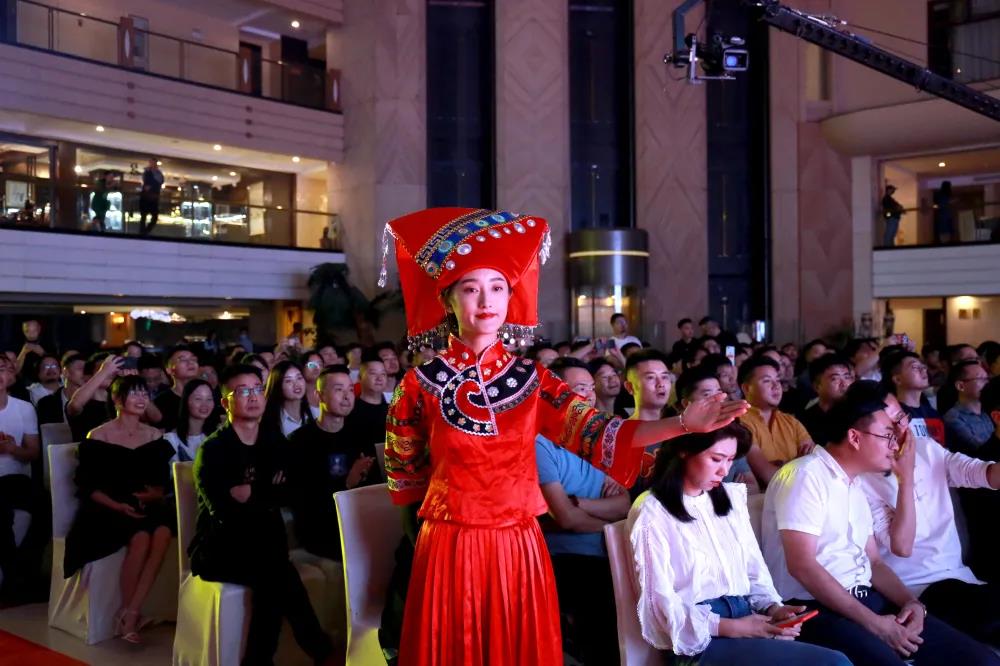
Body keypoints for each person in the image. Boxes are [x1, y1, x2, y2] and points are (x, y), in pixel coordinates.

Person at [381, 207, 747, 665]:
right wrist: (424, 551)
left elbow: (601, 433)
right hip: (448, 544)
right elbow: (405, 480)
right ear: (448, 299)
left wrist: (684, 425)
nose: (486, 300)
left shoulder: (533, 381)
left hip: (517, 542)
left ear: (510, 297)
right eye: (470, 289)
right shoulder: (418, 385)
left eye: (498, 287)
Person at [761, 383, 1000, 666]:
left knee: (982, 661)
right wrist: (875, 624)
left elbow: (874, 563)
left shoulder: (853, 484)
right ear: (854, 437)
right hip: (815, 608)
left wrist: (912, 604)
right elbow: (802, 566)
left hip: (867, 599)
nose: (895, 444)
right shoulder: (805, 475)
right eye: (887, 435)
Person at [627, 423, 850, 666]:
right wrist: (735, 627)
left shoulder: (728, 498)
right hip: (699, 638)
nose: (724, 470)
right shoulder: (653, 510)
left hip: (745, 616)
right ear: (684, 451)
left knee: (835, 656)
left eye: (730, 460)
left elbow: (754, 570)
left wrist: (773, 609)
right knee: (834, 662)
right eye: (716, 459)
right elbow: (659, 606)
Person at [191, 365, 334, 665]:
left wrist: (253, 492)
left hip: (268, 545)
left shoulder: (274, 442)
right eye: (243, 391)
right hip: (222, 548)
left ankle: (266, 660)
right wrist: (269, 493)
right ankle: (320, 651)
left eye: (258, 389)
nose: (253, 396)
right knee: (278, 576)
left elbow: (295, 492)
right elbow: (225, 512)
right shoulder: (214, 450)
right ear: (226, 402)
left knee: (274, 576)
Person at [852, 381, 1000, 648]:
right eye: (889, 426)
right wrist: (905, 477)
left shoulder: (925, 447)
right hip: (916, 588)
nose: (901, 430)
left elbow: (977, 472)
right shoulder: (860, 479)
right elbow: (901, 547)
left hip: (959, 577)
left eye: (901, 418)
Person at [63, 375, 174, 644]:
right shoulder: (98, 435)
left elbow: (162, 483)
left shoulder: (154, 435)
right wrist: (117, 505)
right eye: (134, 393)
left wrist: (155, 494)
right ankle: (129, 614)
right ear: (116, 399)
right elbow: (88, 486)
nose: (141, 399)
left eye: (144, 394)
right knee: (140, 537)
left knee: (162, 532)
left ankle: (130, 611)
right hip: (106, 507)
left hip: (143, 504)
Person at [533, 357, 628, 665]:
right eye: (579, 388)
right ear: (554, 395)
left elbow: (624, 503)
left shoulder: (597, 437)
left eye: (590, 387)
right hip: (567, 559)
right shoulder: (540, 444)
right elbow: (566, 519)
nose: (588, 395)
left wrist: (581, 503)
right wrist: (611, 524)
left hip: (610, 552)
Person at [287, 365, 381, 560]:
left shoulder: (362, 434)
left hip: (363, 522)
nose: (347, 397)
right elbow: (302, 502)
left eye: (350, 390)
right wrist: (347, 483)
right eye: (339, 390)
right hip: (323, 530)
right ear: (319, 396)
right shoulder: (300, 441)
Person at [675, 365, 758, 492]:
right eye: (707, 395)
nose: (717, 400)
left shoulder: (730, 435)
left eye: (719, 393)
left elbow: (752, 486)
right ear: (686, 404)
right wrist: (731, 489)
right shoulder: (677, 439)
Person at [739, 356, 815, 486]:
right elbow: (768, 476)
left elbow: (813, 466)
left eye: (778, 380)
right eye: (767, 381)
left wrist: (783, 467)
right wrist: (796, 463)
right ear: (746, 388)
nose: (776, 386)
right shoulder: (740, 422)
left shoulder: (791, 422)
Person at [0, 356, 40, 600]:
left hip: (17, 480)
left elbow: (33, 453)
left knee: (40, 506)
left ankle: (16, 574)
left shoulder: (24, 408)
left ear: (10, 375)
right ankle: (9, 576)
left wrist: (13, 449)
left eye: (2, 369)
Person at [882, 351, 945, 446]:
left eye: (923, 366)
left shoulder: (934, 414)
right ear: (898, 379)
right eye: (915, 367)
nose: (923, 369)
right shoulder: (891, 415)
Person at [798, 354, 854, 447]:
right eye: (835, 379)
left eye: (847, 377)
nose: (844, 384)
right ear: (817, 386)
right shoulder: (804, 423)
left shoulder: (857, 413)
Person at [942, 360, 993, 454]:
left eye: (987, 378)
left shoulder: (985, 412)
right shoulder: (953, 418)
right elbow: (982, 450)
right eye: (981, 379)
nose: (987, 383)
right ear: (960, 386)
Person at [66, 354, 119, 442]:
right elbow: (75, 405)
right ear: (87, 376)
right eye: (100, 369)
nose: (110, 373)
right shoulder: (83, 403)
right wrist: (104, 370)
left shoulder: (119, 403)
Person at [164, 379, 219, 464]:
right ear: (186, 401)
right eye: (198, 399)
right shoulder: (172, 439)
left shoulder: (218, 435)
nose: (205, 404)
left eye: (209, 399)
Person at [147, 346, 199, 433]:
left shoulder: (209, 396)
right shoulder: (161, 402)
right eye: (182, 359)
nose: (190, 362)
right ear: (169, 370)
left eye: (193, 359)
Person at [260, 360, 314, 444]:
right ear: (278, 386)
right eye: (288, 381)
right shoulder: (270, 422)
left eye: (299, 378)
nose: (296, 384)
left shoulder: (314, 415)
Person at [347, 349, 389, 449]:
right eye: (373, 373)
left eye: (383, 374)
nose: (379, 378)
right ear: (360, 378)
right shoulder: (350, 411)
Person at [37, 353, 86, 426]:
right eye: (80, 368)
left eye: (87, 369)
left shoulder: (94, 402)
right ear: (65, 372)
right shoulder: (46, 404)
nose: (85, 373)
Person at [138, 158, 164, 235]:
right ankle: (143, 232)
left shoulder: (157, 173)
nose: (152, 164)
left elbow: (160, 181)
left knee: (152, 216)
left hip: (152, 197)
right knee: (144, 216)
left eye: (153, 163)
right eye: (151, 163)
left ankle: (145, 231)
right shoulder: (148, 172)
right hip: (147, 196)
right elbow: (158, 181)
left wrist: (150, 186)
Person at [300, 350, 324, 418]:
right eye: (311, 365)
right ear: (302, 368)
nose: (316, 368)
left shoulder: (328, 393)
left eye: (320, 364)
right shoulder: (296, 396)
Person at [932, 180, 954, 244]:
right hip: (944, 216)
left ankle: (945, 241)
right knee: (945, 232)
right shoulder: (942, 195)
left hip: (944, 216)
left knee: (945, 233)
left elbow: (938, 205)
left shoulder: (941, 195)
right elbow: (940, 205)